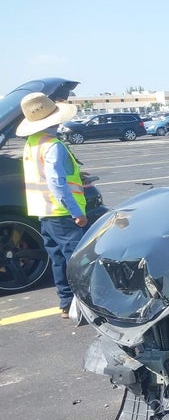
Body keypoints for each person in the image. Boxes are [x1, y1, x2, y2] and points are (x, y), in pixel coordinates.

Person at [16, 92, 88, 318]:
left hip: (44, 213)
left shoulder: (32, 143)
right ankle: (85, 307)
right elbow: (56, 182)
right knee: (78, 260)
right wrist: (76, 213)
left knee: (58, 259)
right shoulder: (53, 145)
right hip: (62, 213)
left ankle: (66, 304)